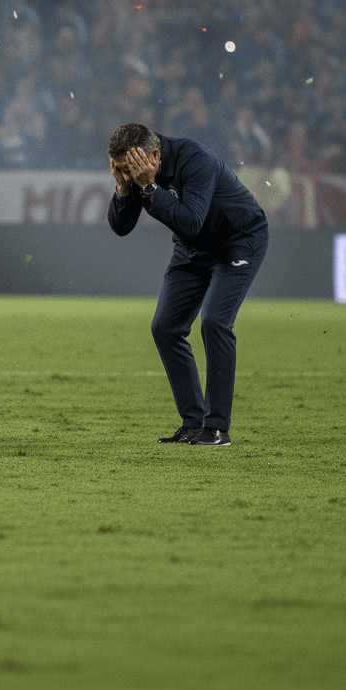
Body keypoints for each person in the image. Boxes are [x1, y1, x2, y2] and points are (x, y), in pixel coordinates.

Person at [106, 121, 270, 447]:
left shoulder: (195, 160)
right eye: (119, 170)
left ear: (154, 154)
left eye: (128, 169)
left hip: (237, 240)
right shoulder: (138, 169)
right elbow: (121, 228)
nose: (127, 175)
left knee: (214, 322)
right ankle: (193, 423)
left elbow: (192, 221)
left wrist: (150, 188)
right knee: (165, 327)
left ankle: (217, 427)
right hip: (192, 249)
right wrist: (123, 190)